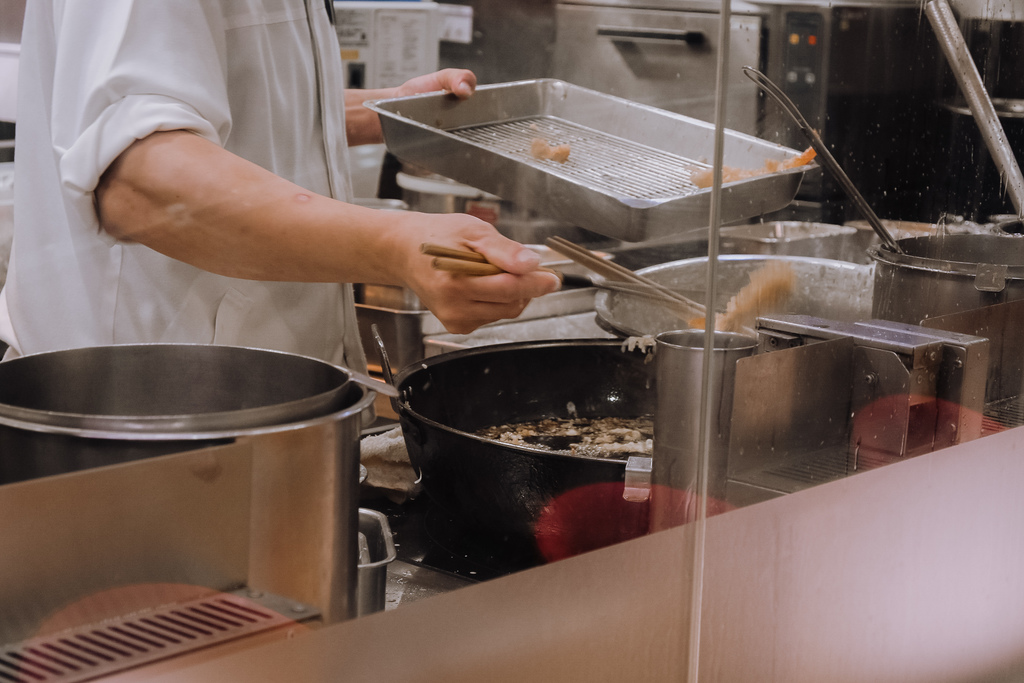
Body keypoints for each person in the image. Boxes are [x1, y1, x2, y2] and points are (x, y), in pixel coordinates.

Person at [0, 0, 561, 372]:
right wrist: (394, 245)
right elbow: (141, 183)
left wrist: (385, 114)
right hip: (142, 409)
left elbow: (228, 105)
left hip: (248, 396)